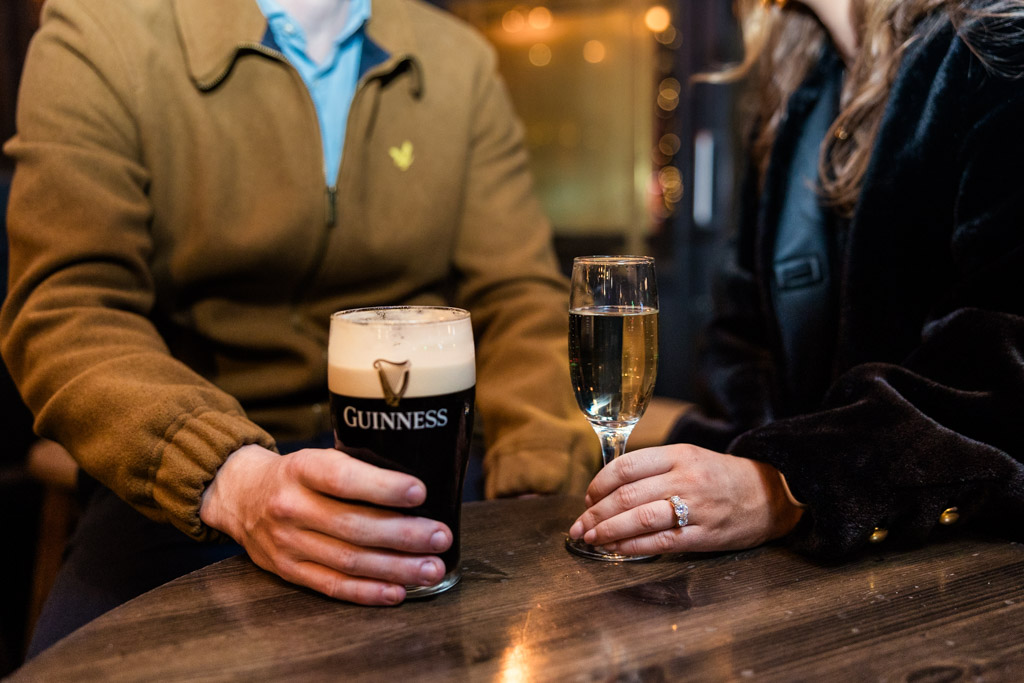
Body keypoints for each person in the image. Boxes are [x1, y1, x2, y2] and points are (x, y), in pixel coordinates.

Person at [0, 0, 598, 654]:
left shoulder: (460, 61)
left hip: (433, 464)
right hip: (192, 483)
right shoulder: (100, 29)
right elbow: (69, 307)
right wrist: (228, 475)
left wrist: (535, 471)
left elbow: (519, 298)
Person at [569, 0, 1024, 558]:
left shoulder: (999, 48)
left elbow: (1003, 370)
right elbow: (742, 342)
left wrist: (785, 483)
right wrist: (708, 477)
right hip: (809, 574)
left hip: (966, 578)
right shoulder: (800, 89)